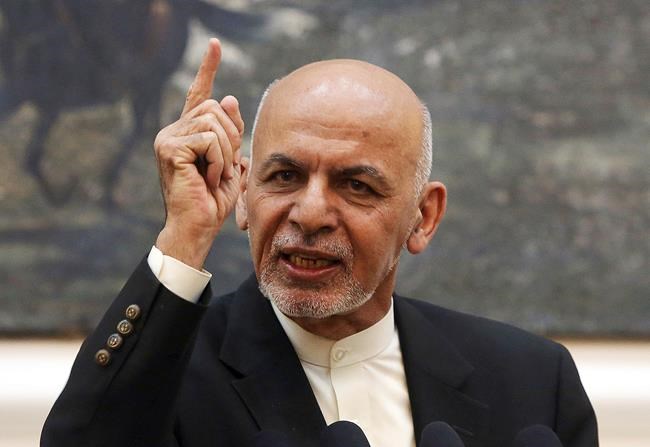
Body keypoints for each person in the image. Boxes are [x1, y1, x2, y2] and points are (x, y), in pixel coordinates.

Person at [41, 39, 598, 447]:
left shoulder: (531, 382)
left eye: (356, 186)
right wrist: (184, 235)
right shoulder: (166, 373)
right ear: (244, 192)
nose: (309, 214)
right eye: (284, 177)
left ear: (423, 217)